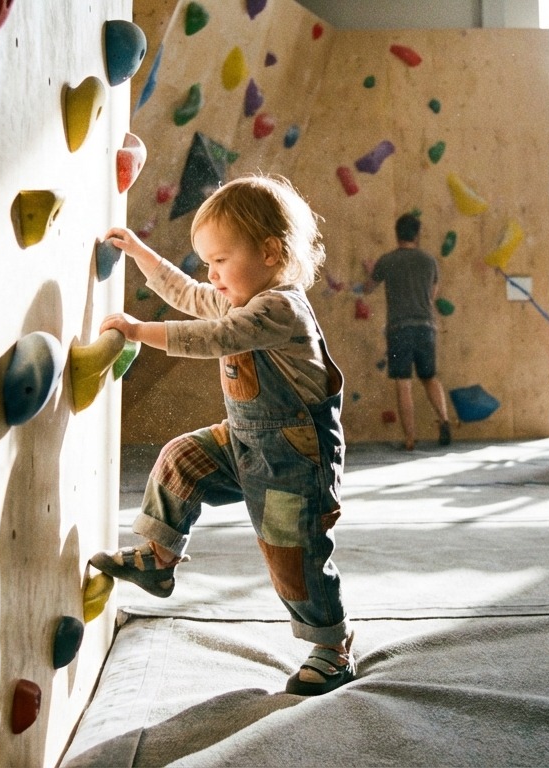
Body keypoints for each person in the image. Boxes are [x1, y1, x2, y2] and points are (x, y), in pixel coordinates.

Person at [87, 175, 354, 695]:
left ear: (270, 253)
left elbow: (216, 338)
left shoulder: (279, 308)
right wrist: (142, 254)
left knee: (293, 555)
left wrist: (140, 331)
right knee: (182, 458)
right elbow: (189, 294)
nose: (211, 275)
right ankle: (158, 561)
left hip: (294, 461)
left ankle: (332, 645)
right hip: (245, 441)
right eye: (207, 263)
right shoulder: (238, 296)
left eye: (220, 261)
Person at [368, 212, 452, 450]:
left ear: (397, 235)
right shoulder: (429, 261)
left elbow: (368, 287)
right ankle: (444, 420)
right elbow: (432, 294)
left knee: (403, 383)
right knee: (429, 377)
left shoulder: (387, 260)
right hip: (426, 326)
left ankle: (410, 438)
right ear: (417, 235)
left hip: (399, 329)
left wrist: (369, 271)